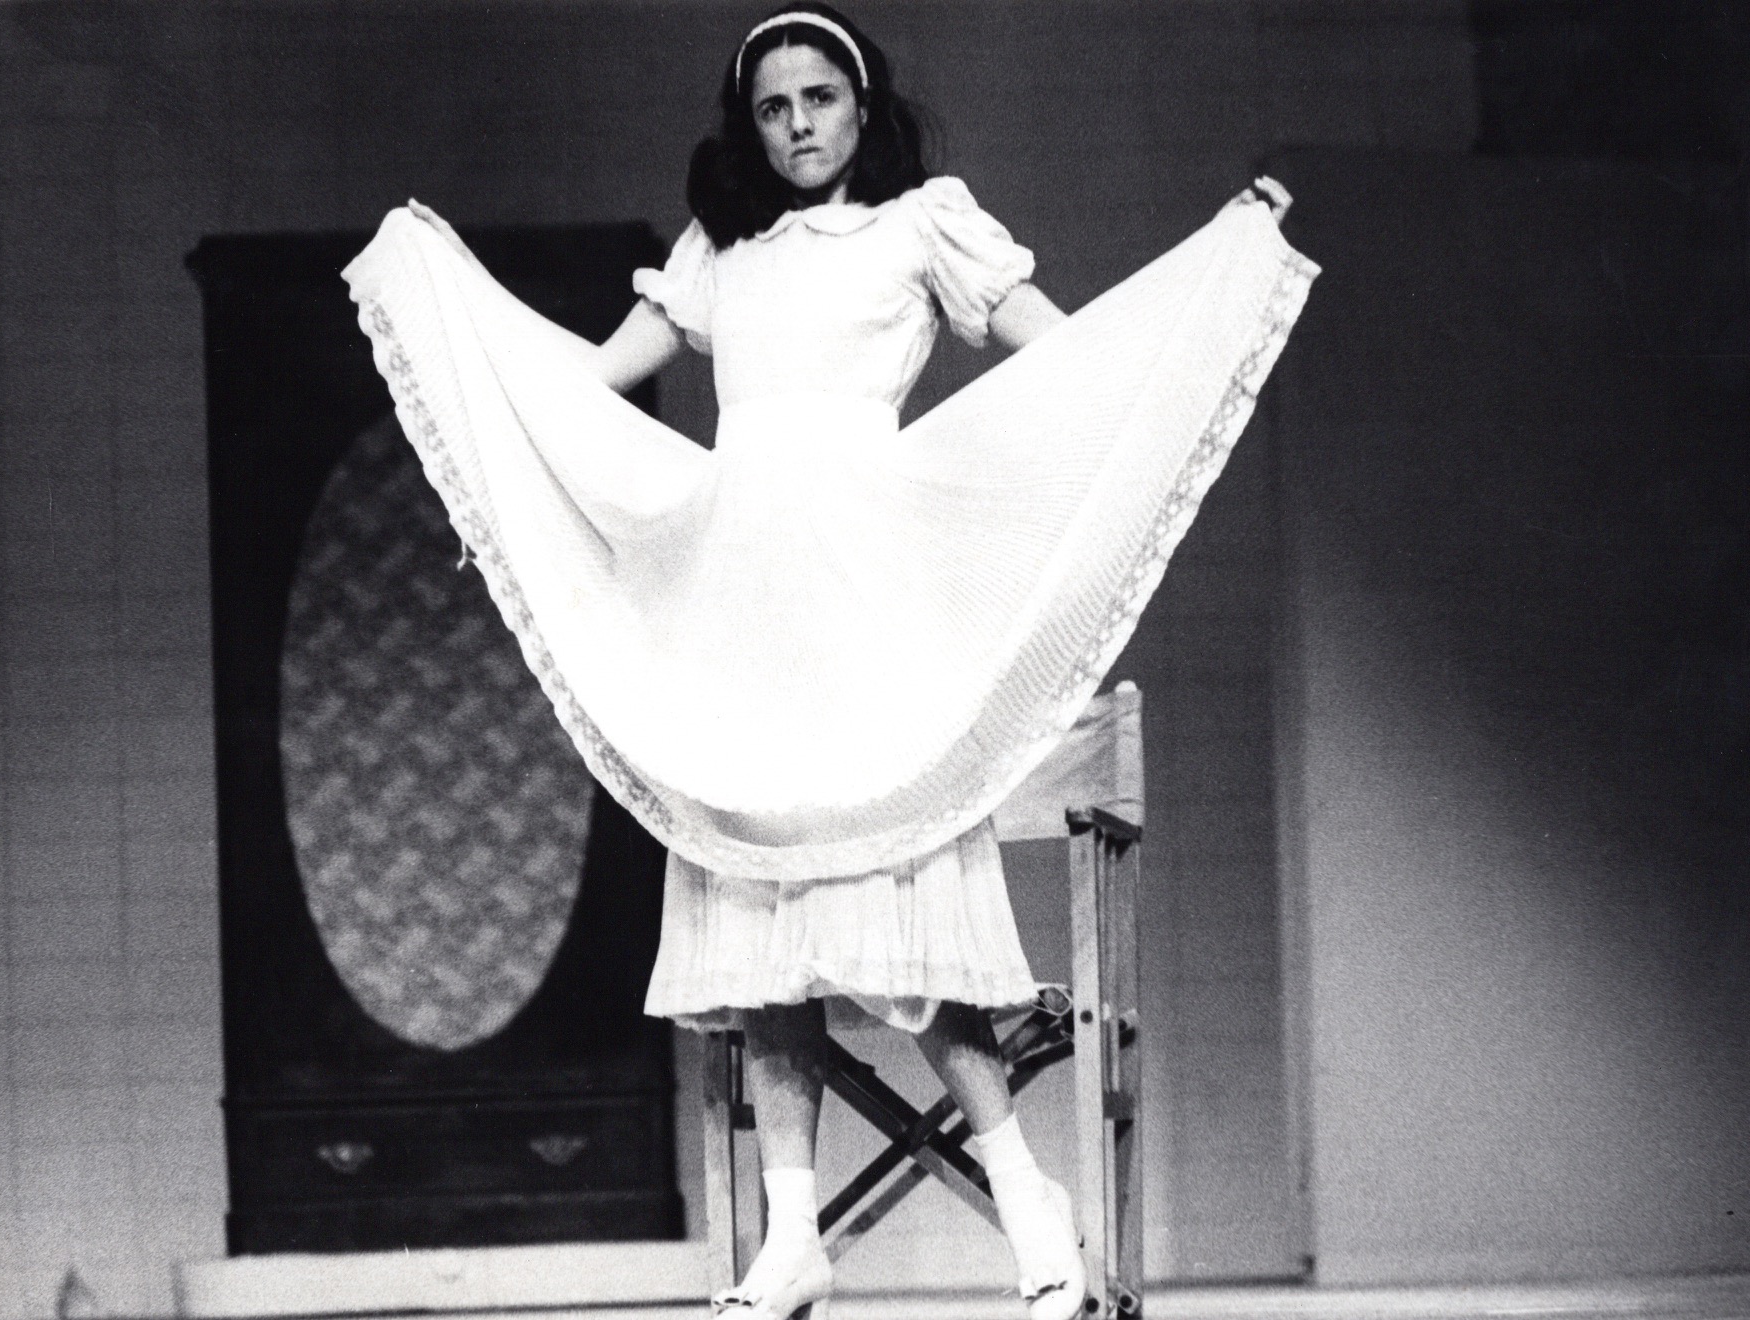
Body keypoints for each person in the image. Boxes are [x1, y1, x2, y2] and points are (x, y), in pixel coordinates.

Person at [344, 7, 1315, 1319]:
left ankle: (1029, 1205)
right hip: (742, 605)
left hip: (868, 596)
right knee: (763, 927)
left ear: (862, 104)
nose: (798, 124)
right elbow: (586, 385)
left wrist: (1214, 269)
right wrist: (465, 371)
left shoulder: (923, 227)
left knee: (902, 907)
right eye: (773, 106)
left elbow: (1071, 351)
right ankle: (793, 1235)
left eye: (819, 98)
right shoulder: (721, 256)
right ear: (747, 125)